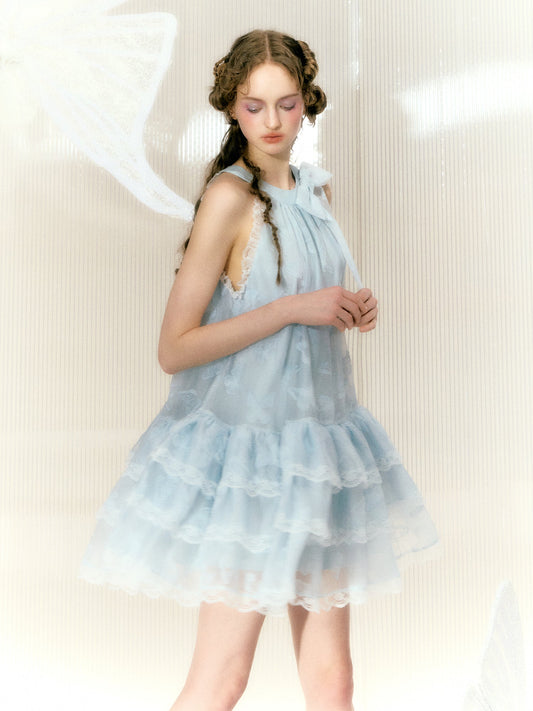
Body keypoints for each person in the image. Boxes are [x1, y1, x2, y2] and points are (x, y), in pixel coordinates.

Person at [80, 29, 438, 711]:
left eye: (287, 104)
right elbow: (174, 347)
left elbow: (307, 305)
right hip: (252, 464)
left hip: (321, 450)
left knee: (334, 681)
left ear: (307, 104)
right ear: (231, 108)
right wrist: (293, 308)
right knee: (222, 678)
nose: (272, 122)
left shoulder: (314, 193)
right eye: (254, 106)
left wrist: (347, 306)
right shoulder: (229, 197)